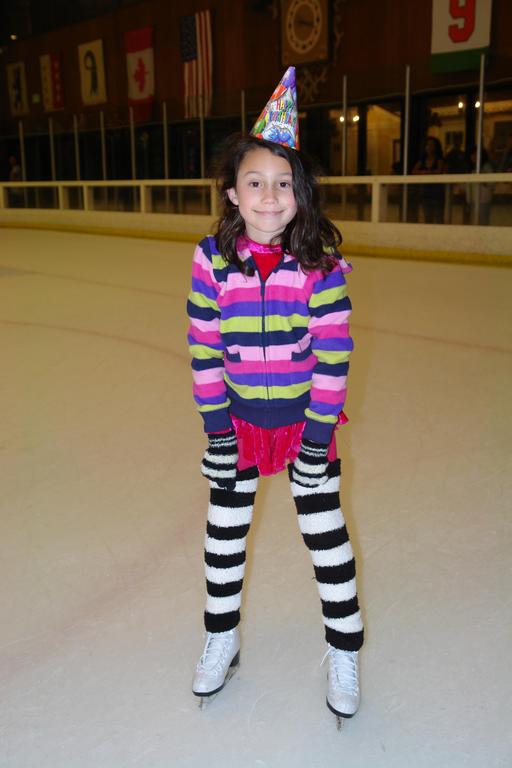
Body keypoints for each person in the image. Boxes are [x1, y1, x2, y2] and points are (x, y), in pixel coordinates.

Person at [187, 67, 364, 722]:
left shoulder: (319, 264)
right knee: (223, 540)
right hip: (236, 426)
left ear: (301, 192)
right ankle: (221, 638)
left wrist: (317, 440)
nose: (269, 196)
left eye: (283, 182)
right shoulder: (211, 259)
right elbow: (203, 346)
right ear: (232, 193)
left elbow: (334, 357)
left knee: (328, 541)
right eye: (255, 182)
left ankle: (344, 651)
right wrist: (217, 430)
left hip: (304, 425)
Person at [412, 136, 445, 223]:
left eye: (432, 145)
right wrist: (424, 172)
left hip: (437, 193)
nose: (429, 147)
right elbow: (414, 171)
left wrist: (428, 172)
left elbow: (439, 171)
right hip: (425, 192)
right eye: (427, 145)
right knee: (427, 218)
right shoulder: (423, 160)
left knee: (439, 218)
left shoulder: (439, 159)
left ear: (436, 147)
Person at [466, 146, 494, 225]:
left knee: (483, 222)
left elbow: (491, 184)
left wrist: (481, 177)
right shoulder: (471, 169)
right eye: (472, 154)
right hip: (473, 200)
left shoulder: (486, 167)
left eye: (476, 154)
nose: (474, 157)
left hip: (483, 200)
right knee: (474, 223)